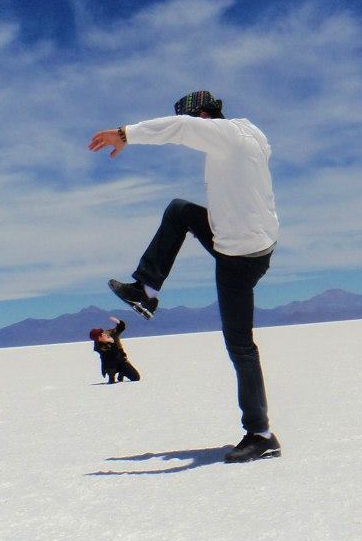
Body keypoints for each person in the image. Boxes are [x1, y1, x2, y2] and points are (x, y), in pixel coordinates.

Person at [87, 90, 281, 463]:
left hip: (236, 256)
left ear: (205, 117)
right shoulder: (252, 136)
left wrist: (125, 133)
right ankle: (145, 291)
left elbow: (178, 128)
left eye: (197, 123)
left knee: (241, 346)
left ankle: (260, 434)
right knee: (180, 211)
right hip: (256, 244)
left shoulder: (226, 134)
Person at [90, 316, 141, 384]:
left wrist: (119, 322)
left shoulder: (109, 333)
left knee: (136, 378)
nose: (103, 334)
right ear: (97, 339)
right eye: (100, 335)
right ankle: (112, 374)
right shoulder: (98, 346)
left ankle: (122, 372)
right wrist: (111, 342)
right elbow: (109, 355)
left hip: (121, 359)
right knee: (111, 380)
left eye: (102, 333)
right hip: (110, 364)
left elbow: (121, 327)